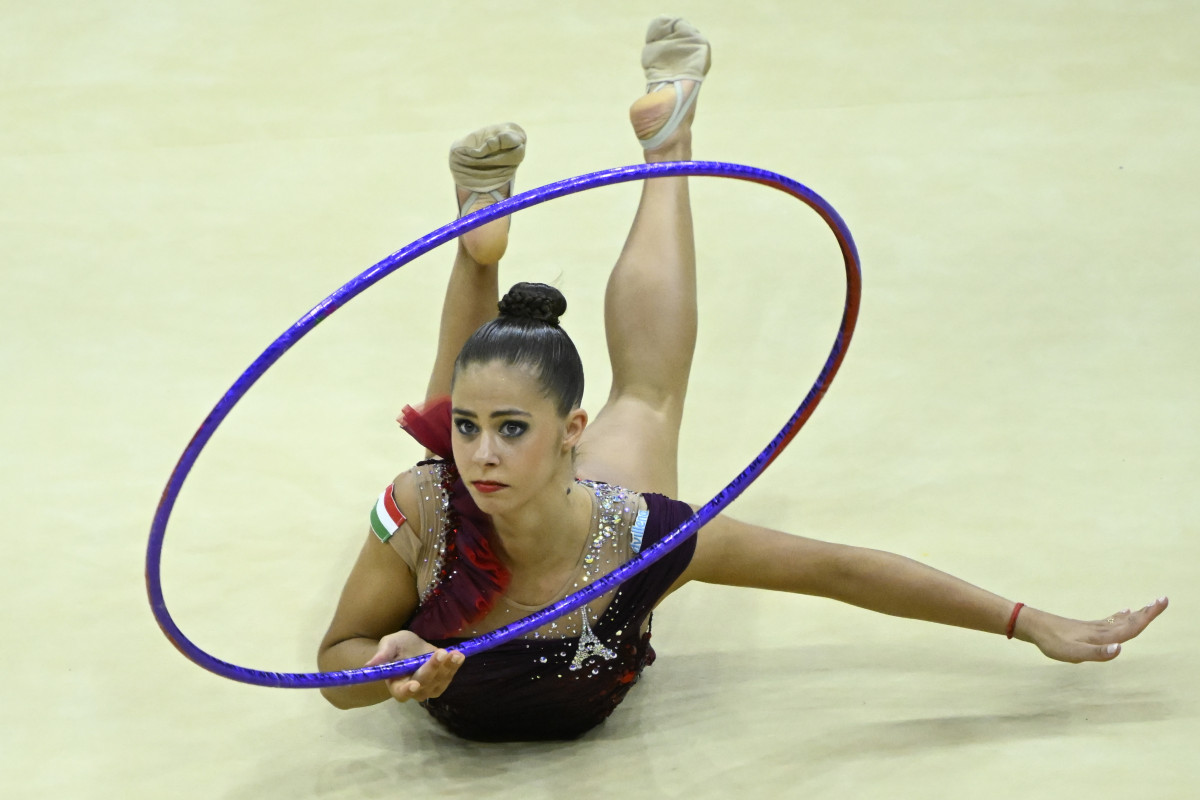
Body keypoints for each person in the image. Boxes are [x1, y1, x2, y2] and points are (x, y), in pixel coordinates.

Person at [316, 17, 1167, 741]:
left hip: (586, 510)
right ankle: (497, 235)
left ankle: (656, 155)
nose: (480, 453)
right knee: (610, 399)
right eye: (469, 431)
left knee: (639, 394)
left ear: (574, 433)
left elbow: (835, 570)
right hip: (514, 520)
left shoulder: (637, 536)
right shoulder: (425, 509)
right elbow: (335, 664)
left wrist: (1027, 622)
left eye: (512, 431)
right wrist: (383, 668)